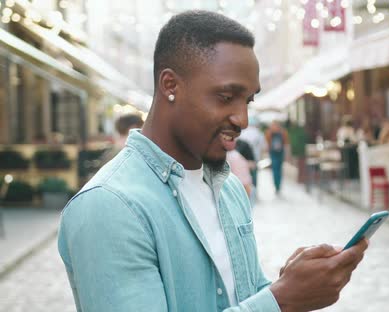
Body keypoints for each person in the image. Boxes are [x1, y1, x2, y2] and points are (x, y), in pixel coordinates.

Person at [57, 11, 367, 312]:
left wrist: (287, 286)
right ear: (170, 86)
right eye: (225, 97)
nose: (242, 119)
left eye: (247, 101)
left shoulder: (228, 188)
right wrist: (281, 300)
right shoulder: (110, 207)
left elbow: (240, 299)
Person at [239, 117, 267, 186]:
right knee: (254, 178)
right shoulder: (259, 133)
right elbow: (264, 147)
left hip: (243, 159)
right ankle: (253, 192)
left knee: (244, 178)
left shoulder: (242, 132)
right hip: (255, 159)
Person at [265, 120, 290, 194]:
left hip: (278, 153)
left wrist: (287, 154)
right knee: (277, 169)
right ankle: (277, 186)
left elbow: (286, 143)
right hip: (275, 153)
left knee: (277, 169)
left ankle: (277, 185)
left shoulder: (281, 132)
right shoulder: (272, 132)